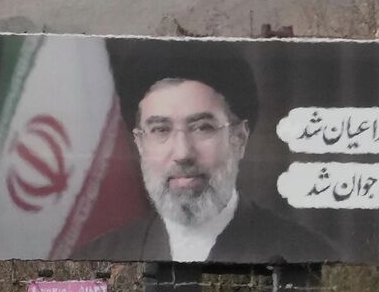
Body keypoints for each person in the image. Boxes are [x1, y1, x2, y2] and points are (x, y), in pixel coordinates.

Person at [71, 51, 335, 263]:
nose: (183, 153)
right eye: (161, 130)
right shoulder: (95, 260)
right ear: (140, 144)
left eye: (202, 128)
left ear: (239, 139)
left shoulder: (310, 255)